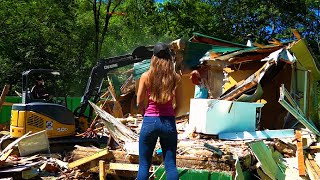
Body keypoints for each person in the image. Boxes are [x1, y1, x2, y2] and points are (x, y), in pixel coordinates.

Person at [136, 42, 181, 180]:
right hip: (168, 122)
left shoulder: (145, 76)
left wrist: (145, 114)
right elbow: (179, 105)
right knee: (170, 165)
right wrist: (171, 115)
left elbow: (138, 102)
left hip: (149, 121)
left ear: (153, 58)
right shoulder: (176, 77)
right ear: (169, 57)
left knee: (144, 165)